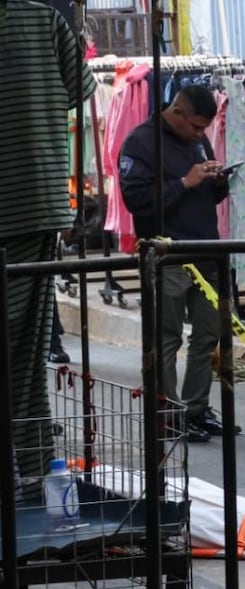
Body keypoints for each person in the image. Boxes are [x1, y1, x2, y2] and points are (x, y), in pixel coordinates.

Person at [1, 0, 96, 501]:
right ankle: (30, 464)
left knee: (26, 349)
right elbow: (80, 96)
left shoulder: (43, 20)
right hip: (34, 200)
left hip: (34, 205)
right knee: (25, 350)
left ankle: (29, 463)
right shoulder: (42, 20)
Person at [119, 85, 232, 443]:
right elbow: (137, 201)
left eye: (205, 129)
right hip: (169, 256)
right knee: (166, 338)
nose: (201, 135)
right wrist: (184, 182)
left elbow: (212, 195)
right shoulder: (141, 142)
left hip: (206, 251)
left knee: (207, 337)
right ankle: (167, 413)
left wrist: (218, 179)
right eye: (197, 127)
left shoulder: (198, 140)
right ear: (178, 112)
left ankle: (197, 409)